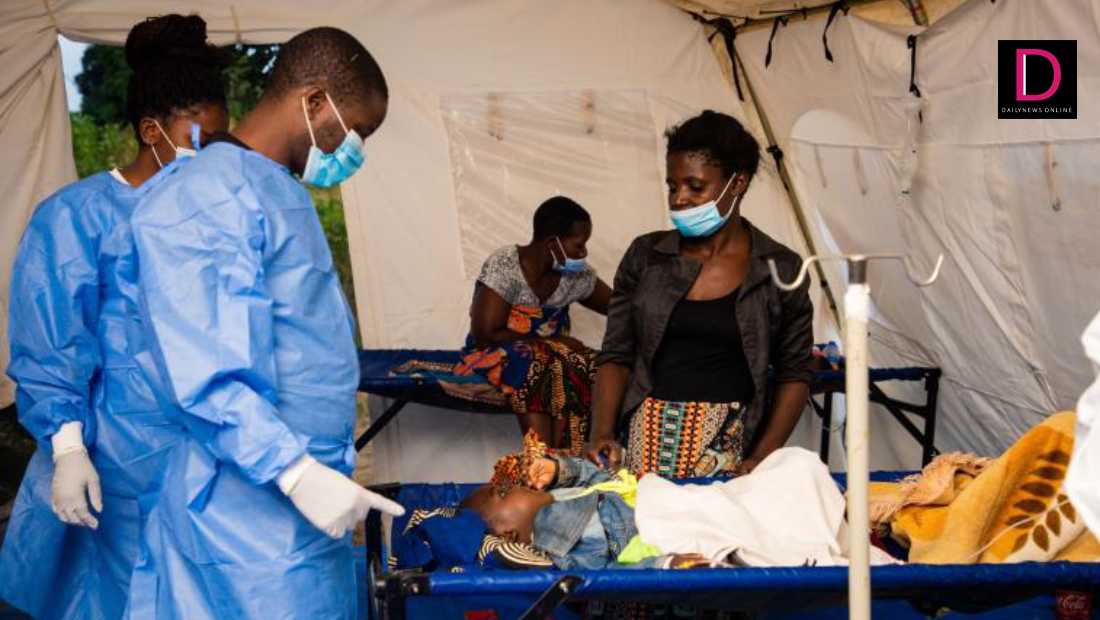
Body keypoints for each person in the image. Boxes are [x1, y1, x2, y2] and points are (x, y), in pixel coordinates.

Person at [123, 27, 403, 620]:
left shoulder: (273, 188)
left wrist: (313, 473)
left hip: (296, 503)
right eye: (356, 130)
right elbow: (206, 367)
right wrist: (294, 471)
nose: (354, 149)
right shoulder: (205, 197)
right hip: (245, 516)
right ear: (315, 100)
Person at [0, 15, 229, 619]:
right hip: (111, 469)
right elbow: (50, 344)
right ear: (151, 130)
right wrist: (67, 448)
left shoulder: (214, 218)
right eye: (202, 141)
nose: (212, 160)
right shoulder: (77, 218)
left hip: (205, 465)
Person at [585, 110, 814, 480]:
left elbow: (795, 374)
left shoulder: (779, 268)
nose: (679, 200)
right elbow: (616, 354)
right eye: (672, 187)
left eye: (695, 186)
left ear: (737, 183)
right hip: (647, 433)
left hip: (729, 442)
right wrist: (602, 433)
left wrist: (761, 457)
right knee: (643, 516)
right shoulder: (646, 256)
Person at [467, 446, 892, 570]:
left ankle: (826, 521)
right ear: (510, 533)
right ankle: (818, 536)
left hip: (679, 498)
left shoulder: (563, 495)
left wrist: (559, 468)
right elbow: (613, 571)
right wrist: (665, 564)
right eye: (502, 495)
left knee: (794, 465)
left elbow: (598, 477)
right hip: (668, 526)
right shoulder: (557, 547)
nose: (511, 485)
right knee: (756, 526)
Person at [458, 196, 611, 454]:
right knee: (537, 360)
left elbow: (618, 306)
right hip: (492, 352)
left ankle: (570, 458)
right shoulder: (506, 265)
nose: (584, 253)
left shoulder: (577, 276)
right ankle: (540, 458)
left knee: (593, 365)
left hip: (555, 357)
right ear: (552, 243)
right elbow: (485, 333)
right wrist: (552, 343)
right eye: (579, 245)